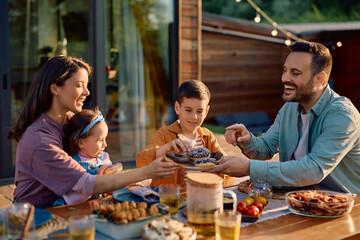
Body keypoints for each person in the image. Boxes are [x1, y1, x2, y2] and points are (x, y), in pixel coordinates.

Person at [7, 56, 179, 208]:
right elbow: (85, 184)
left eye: (86, 85)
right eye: (79, 85)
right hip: (35, 217)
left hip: (69, 206)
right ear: (54, 88)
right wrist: (148, 171)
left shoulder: (68, 120)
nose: (87, 92)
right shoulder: (39, 139)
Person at [209, 41, 360, 195]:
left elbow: (314, 169)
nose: (284, 78)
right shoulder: (290, 107)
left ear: (319, 79)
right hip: (298, 200)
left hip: (345, 208)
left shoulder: (342, 115)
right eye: (285, 70)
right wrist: (248, 140)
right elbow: (265, 149)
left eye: (295, 73)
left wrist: (249, 168)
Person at [136, 80, 234, 187]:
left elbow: (228, 169)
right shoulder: (164, 134)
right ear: (177, 108)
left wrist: (213, 172)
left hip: (200, 195)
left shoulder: (208, 137)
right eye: (188, 110)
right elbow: (140, 162)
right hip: (170, 198)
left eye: (199, 111)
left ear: (206, 111)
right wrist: (167, 148)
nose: (194, 117)